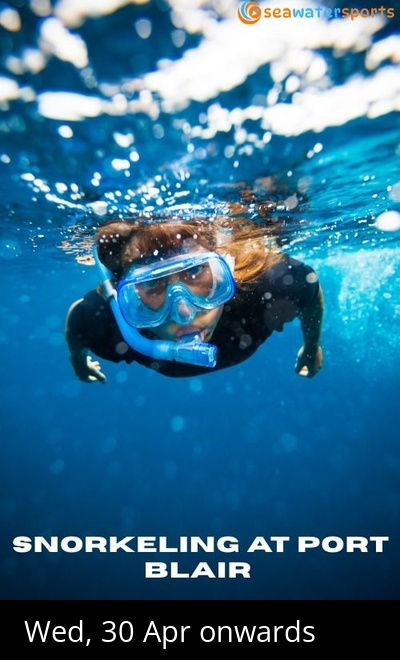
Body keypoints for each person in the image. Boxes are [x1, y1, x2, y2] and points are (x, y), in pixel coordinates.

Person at [65, 216, 323, 383]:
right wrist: (78, 361)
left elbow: (311, 293)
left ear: (227, 271)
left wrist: (312, 347)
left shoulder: (270, 284)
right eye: (152, 284)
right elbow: (77, 321)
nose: (184, 312)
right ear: (122, 297)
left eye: (196, 271)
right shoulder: (106, 323)